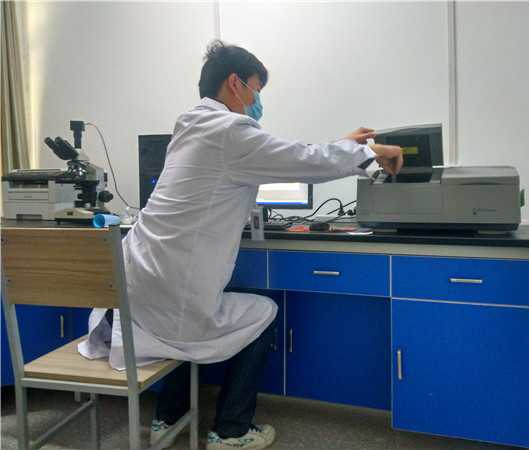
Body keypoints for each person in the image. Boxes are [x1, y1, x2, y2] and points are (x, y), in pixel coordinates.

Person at [78, 40, 403, 450]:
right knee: (263, 311)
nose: (257, 102)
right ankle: (231, 431)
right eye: (256, 90)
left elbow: (290, 156)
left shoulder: (191, 125)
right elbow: (301, 159)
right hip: (173, 293)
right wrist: (371, 150)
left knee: (176, 327)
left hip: (135, 287)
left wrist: (346, 145)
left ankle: (167, 417)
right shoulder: (231, 131)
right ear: (235, 83)